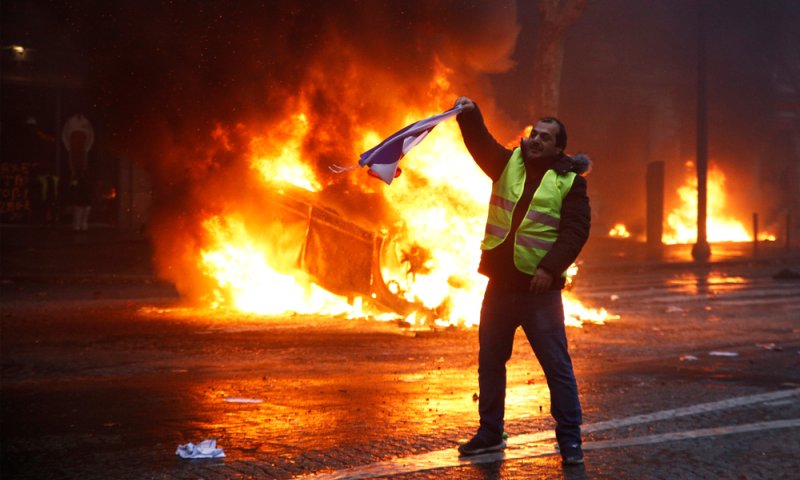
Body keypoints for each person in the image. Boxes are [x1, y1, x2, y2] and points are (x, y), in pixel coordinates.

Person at [453, 96, 591, 466]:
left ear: (559, 147)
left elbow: (576, 231)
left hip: (538, 293)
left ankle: (570, 441)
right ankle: (489, 434)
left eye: (545, 137)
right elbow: (480, 143)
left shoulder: (569, 182)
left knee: (556, 367)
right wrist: (469, 115)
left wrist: (549, 269)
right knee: (490, 362)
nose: (535, 141)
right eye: (533, 134)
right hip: (499, 287)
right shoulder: (507, 163)